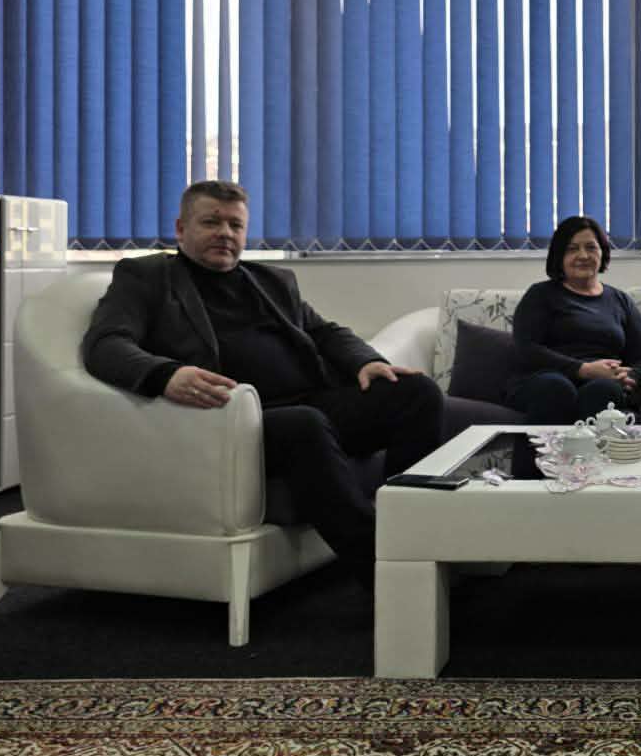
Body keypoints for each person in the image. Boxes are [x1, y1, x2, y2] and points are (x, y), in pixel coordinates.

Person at [83, 180, 444, 579]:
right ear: (181, 229)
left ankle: (414, 534)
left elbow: (325, 332)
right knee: (304, 423)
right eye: (211, 222)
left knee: (416, 393)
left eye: (235, 225)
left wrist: (366, 361)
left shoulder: (272, 280)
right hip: (233, 419)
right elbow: (106, 344)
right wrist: (166, 374)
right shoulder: (147, 277)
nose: (225, 233)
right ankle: (386, 568)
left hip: (310, 401)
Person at [506, 215, 641, 425]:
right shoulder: (540, 295)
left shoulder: (620, 301)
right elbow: (527, 349)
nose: (583, 255)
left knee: (604, 390)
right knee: (556, 388)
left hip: (603, 383)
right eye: (572, 249)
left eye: (591, 247)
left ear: (602, 252)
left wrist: (629, 376)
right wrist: (583, 370)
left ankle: (594, 449)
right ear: (559, 256)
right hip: (544, 378)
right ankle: (544, 449)